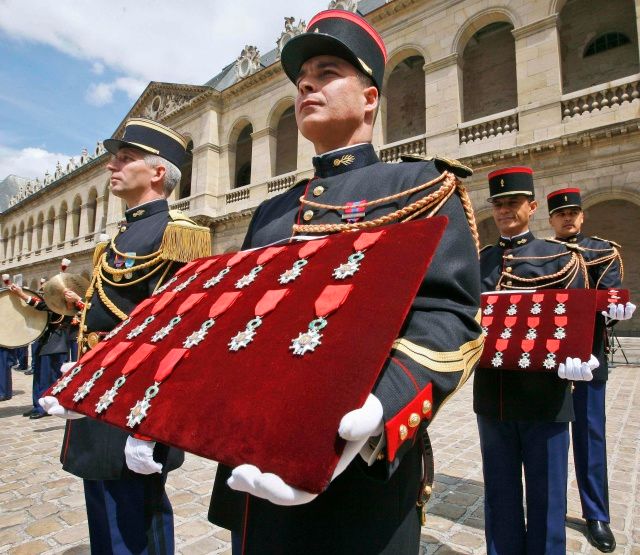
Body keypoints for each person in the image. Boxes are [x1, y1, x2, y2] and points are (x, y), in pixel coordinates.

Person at [207, 10, 483, 554]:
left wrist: (381, 411)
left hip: (360, 472)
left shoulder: (417, 186)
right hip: (254, 465)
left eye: (327, 71)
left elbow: (449, 317)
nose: (306, 84)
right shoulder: (271, 212)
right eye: (302, 78)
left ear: (370, 98)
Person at [40, 118, 211, 554]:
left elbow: (177, 331)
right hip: (95, 397)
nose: (112, 165)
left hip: (133, 403)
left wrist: (151, 422)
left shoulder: (178, 233)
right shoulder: (112, 242)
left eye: (125, 158)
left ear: (158, 172)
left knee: (133, 527)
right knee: (104, 517)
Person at [474, 167, 599, 555]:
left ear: (531, 206)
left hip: (545, 395)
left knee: (547, 497)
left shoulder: (559, 257)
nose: (504, 210)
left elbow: (579, 319)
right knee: (500, 492)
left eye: (512, 202)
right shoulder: (482, 260)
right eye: (498, 204)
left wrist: (582, 357)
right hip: (493, 394)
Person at [547, 187, 634, 552]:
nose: (568, 218)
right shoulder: (541, 255)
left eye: (573, 212)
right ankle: (549, 510)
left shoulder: (602, 252)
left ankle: (596, 515)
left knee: (590, 436)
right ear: (550, 219)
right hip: (548, 362)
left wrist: (614, 311)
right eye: (560, 213)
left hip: (588, 358)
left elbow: (609, 293)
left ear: (582, 217)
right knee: (548, 441)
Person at [8, 283, 73, 418]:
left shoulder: (64, 306)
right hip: (46, 343)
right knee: (38, 377)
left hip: (55, 346)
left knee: (47, 378)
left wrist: (22, 295)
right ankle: (37, 404)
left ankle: (44, 408)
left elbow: (41, 305)